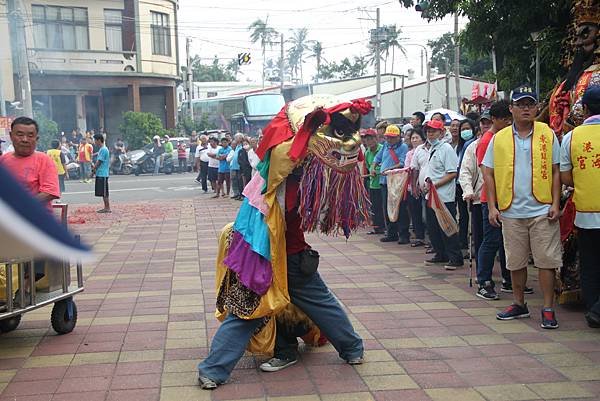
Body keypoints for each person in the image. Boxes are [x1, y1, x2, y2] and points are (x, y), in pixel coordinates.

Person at [483, 85, 561, 329]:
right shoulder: (500, 138)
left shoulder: (547, 134)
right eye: (521, 104)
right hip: (511, 210)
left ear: (538, 107)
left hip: (542, 209)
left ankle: (548, 308)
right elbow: (488, 172)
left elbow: (556, 170)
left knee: (546, 261)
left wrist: (556, 203)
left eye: (530, 104)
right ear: (511, 108)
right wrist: (492, 207)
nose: (526, 108)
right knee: (515, 261)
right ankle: (519, 304)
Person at [559, 85, 600, 328]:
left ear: (584, 109)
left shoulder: (572, 137)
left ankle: (593, 310)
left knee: (590, 263)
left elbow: (565, 177)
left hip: (586, 214)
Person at [423, 119, 464, 270]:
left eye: (433, 131)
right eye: (428, 131)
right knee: (433, 227)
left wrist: (435, 185)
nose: (430, 134)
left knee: (447, 227)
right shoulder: (432, 148)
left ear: (441, 132)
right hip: (432, 196)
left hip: (444, 197)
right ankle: (441, 254)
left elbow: (452, 173)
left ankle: (455, 257)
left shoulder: (446, 148)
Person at [0, 117, 60, 207]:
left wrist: (20, 205)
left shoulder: (44, 160)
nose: (25, 139)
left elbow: (49, 193)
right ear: (11, 136)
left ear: (37, 138)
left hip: (34, 218)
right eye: (20, 135)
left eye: (30, 136)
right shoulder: (3, 160)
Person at [372, 124, 410, 244]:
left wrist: (389, 170)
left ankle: (404, 234)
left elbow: (402, 163)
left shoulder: (403, 147)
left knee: (400, 208)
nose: (390, 140)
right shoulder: (385, 146)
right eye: (388, 137)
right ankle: (391, 233)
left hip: (397, 182)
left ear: (399, 137)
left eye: (392, 137)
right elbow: (377, 159)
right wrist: (373, 168)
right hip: (384, 182)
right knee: (386, 207)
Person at [455, 119, 475, 250]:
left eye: (467, 128)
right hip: (458, 184)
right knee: (462, 215)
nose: (465, 131)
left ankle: (470, 241)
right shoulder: (459, 146)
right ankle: (462, 240)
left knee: (471, 216)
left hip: (471, 185)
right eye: (462, 129)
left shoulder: (472, 144)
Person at [406, 128, 426, 247]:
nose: (414, 140)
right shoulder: (409, 153)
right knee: (416, 213)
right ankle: (420, 237)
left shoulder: (425, 150)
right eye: (412, 138)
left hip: (426, 189)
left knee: (426, 215)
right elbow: (410, 169)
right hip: (412, 188)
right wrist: (413, 186)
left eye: (416, 137)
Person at [364, 129, 385, 234]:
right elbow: (368, 167)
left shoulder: (382, 149)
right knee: (374, 207)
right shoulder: (367, 152)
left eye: (371, 138)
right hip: (372, 184)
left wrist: (377, 171)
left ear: (376, 139)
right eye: (367, 139)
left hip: (382, 183)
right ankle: (377, 227)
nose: (369, 141)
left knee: (382, 206)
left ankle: (384, 227)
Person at [92, 133, 111, 213]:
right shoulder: (102, 149)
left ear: (99, 140)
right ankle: (106, 207)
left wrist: (93, 169)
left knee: (104, 192)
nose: (94, 142)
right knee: (103, 192)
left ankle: (107, 208)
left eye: (95, 140)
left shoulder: (103, 149)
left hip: (102, 174)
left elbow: (99, 161)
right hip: (100, 173)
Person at [229, 133, 244, 200]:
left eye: (237, 137)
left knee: (240, 181)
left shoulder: (242, 146)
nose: (236, 139)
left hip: (239, 167)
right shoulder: (237, 146)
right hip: (234, 166)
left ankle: (241, 194)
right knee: (236, 181)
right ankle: (238, 194)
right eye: (235, 137)